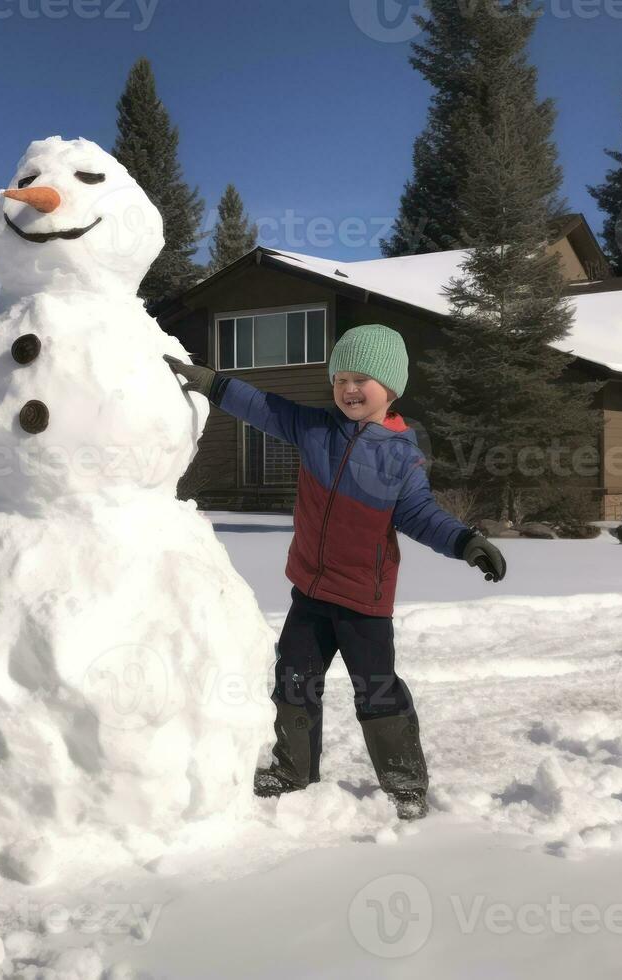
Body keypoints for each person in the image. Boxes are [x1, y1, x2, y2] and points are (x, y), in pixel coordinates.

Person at [165, 323, 506, 820]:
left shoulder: (401, 456)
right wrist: (211, 382)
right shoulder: (315, 428)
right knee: (294, 680)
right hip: (310, 588)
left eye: (361, 379)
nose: (349, 389)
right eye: (341, 378)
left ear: (390, 387)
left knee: (376, 688)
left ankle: (405, 782)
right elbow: (263, 408)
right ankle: (293, 771)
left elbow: (418, 515)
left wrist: (465, 541)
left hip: (364, 601)